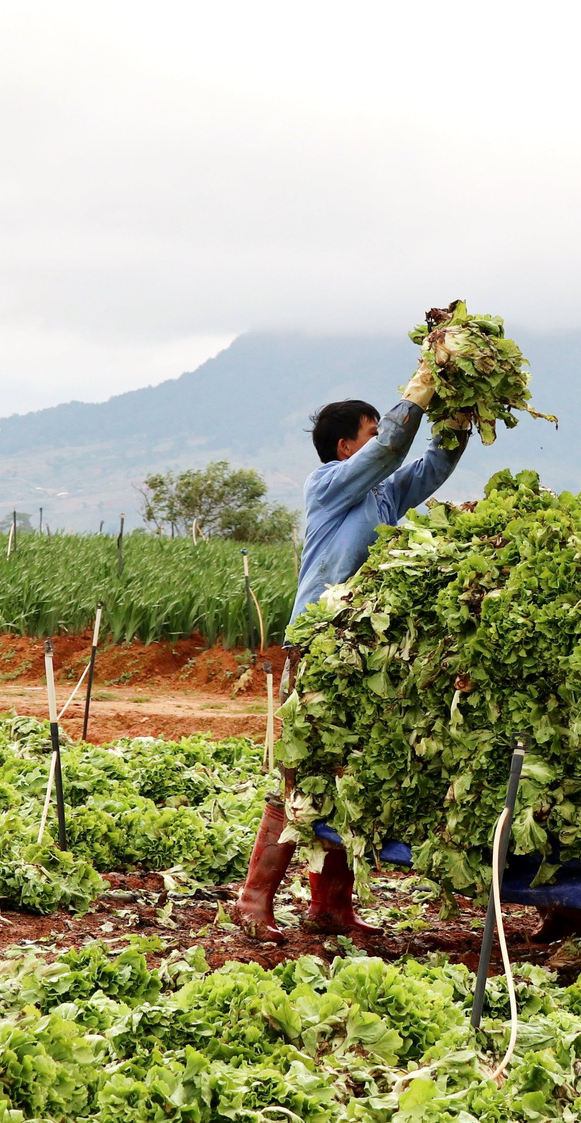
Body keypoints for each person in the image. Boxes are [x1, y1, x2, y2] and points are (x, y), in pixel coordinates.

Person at [234, 361, 467, 941]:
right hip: (317, 640)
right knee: (299, 773)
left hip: (363, 648)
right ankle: (254, 899)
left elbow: (432, 465)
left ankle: (331, 909)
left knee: (347, 772)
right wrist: (416, 398)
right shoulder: (329, 485)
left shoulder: (385, 494)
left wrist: (460, 415)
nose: (378, 441)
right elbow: (391, 451)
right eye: (370, 432)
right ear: (345, 448)